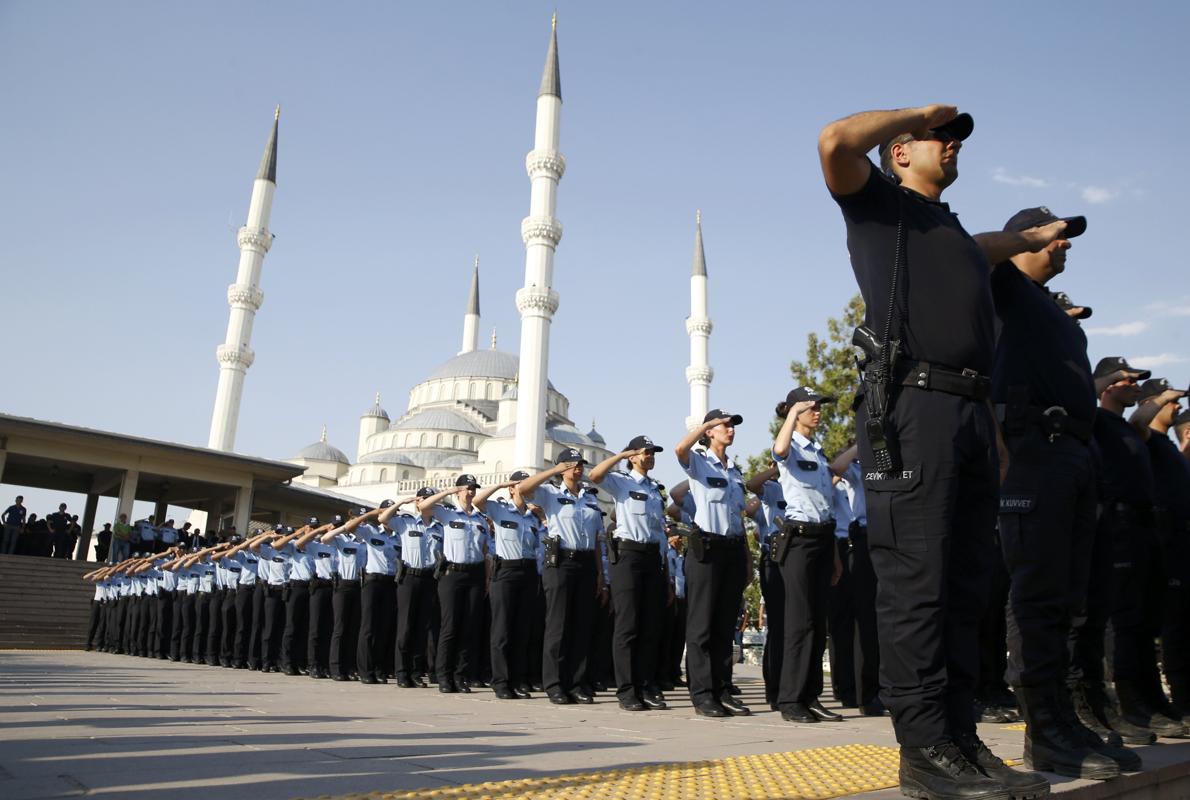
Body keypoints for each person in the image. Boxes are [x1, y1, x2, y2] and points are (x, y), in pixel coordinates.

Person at [818, 103, 1062, 799]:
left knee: (963, 587)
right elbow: (834, 141)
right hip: (913, 407)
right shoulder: (876, 206)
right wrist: (919, 110)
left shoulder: (948, 230)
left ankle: (959, 738)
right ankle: (923, 748)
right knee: (917, 585)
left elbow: (984, 250)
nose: (951, 146)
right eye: (937, 140)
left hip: (967, 410)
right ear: (898, 153)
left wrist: (1033, 237)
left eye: (954, 140)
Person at [987, 206, 1137, 776]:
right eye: (1055, 237)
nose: (1064, 246)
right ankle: (1042, 729)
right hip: (1032, 451)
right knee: (1038, 593)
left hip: (1071, 455)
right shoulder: (1002, 284)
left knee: (1072, 599)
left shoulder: (1050, 312)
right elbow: (977, 253)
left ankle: (1065, 718)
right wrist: (1025, 236)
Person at [770, 388, 845, 724]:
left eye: (819, 407)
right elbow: (780, 449)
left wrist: (835, 556)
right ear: (794, 412)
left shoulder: (818, 449)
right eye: (810, 407)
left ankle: (811, 695)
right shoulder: (790, 446)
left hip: (823, 536)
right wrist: (790, 413)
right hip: (797, 539)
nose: (817, 412)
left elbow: (827, 502)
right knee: (799, 623)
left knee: (818, 623)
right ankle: (790, 699)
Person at [673, 409, 752, 719]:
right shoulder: (699, 462)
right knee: (702, 626)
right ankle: (703, 693)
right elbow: (680, 450)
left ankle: (722, 689)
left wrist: (746, 559)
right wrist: (703, 425)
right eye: (724, 425)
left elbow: (738, 518)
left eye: (732, 425)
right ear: (709, 431)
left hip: (732, 549)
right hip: (706, 549)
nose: (730, 429)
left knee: (724, 626)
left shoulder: (735, 471)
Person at [589, 437, 670, 712]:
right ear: (633, 456)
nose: (650, 456)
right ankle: (626, 690)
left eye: (653, 453)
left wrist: (666, 570)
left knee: (650, 625)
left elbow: (660, 531)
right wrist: (622, 454)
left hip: (652, 557)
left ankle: (646, 684)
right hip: (628, 555)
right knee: (628, 624)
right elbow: (595, 475)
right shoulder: (622, 482)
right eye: (646, 452)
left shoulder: (655, 490)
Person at [518, 449, 605, 705]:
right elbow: (524, 489)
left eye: (580, 464)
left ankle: (577, 683)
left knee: (581, 626)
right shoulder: (551, 494)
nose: (577, 468)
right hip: (561, 562)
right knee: (558, 624)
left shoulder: (589, 498)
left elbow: (598, 539)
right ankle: (554, 683)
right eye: (572, 464)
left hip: (586, 562)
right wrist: (555, 470)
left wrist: (600, 573)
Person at [1131, 380, 1190, 720]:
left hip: (1178, 548)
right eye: (1170, 403)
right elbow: (1138, 422)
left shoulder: (1166, 446)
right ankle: (1179, 700)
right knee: (1173, 630)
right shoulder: (1147, 439)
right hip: (1161, 547)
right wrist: (1160, 399)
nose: (1177, 406)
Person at [419, 475, 492, 694]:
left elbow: (486, 551)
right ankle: (444, 675)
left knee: (468, 627)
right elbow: (423, 506)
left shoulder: (481, 519)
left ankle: (461, 676)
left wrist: (487, 579)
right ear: (459, 491)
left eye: (473, 489)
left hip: (476, 574)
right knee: (449, 627)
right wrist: (449, 491)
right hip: (452, 574)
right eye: (466, 489)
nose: (470, 492)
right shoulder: (447, 514)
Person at [474, 472, 541, 699]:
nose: (525, 487)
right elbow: (477, 502)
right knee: (502, 629)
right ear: (512, 489)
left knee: (523, 629)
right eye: (519, 484)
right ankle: (501, 681)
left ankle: (518, 679)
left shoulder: (533, 517)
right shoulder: (500, 509)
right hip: (506, 571)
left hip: (529, 570)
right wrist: (500, 484)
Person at [382, 490, 441, 688]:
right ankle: (402, 672)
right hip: (409, 578)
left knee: (421, 628)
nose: (429, 503)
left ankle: (416, 672)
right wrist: (401, 502)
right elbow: (383, 518)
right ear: (418, 503)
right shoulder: (405, 522)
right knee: (406, 626)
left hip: (429, 578)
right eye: (425, 499)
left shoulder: (439, 527)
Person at [320, 515, 366, 681]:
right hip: (343, 585)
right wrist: (343, 527)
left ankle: (349, 667)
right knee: (340, 628)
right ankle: (336, 667)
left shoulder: (362, 539)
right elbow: (325, 538)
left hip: (359, 584)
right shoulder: (340, 539)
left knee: (354, 628)